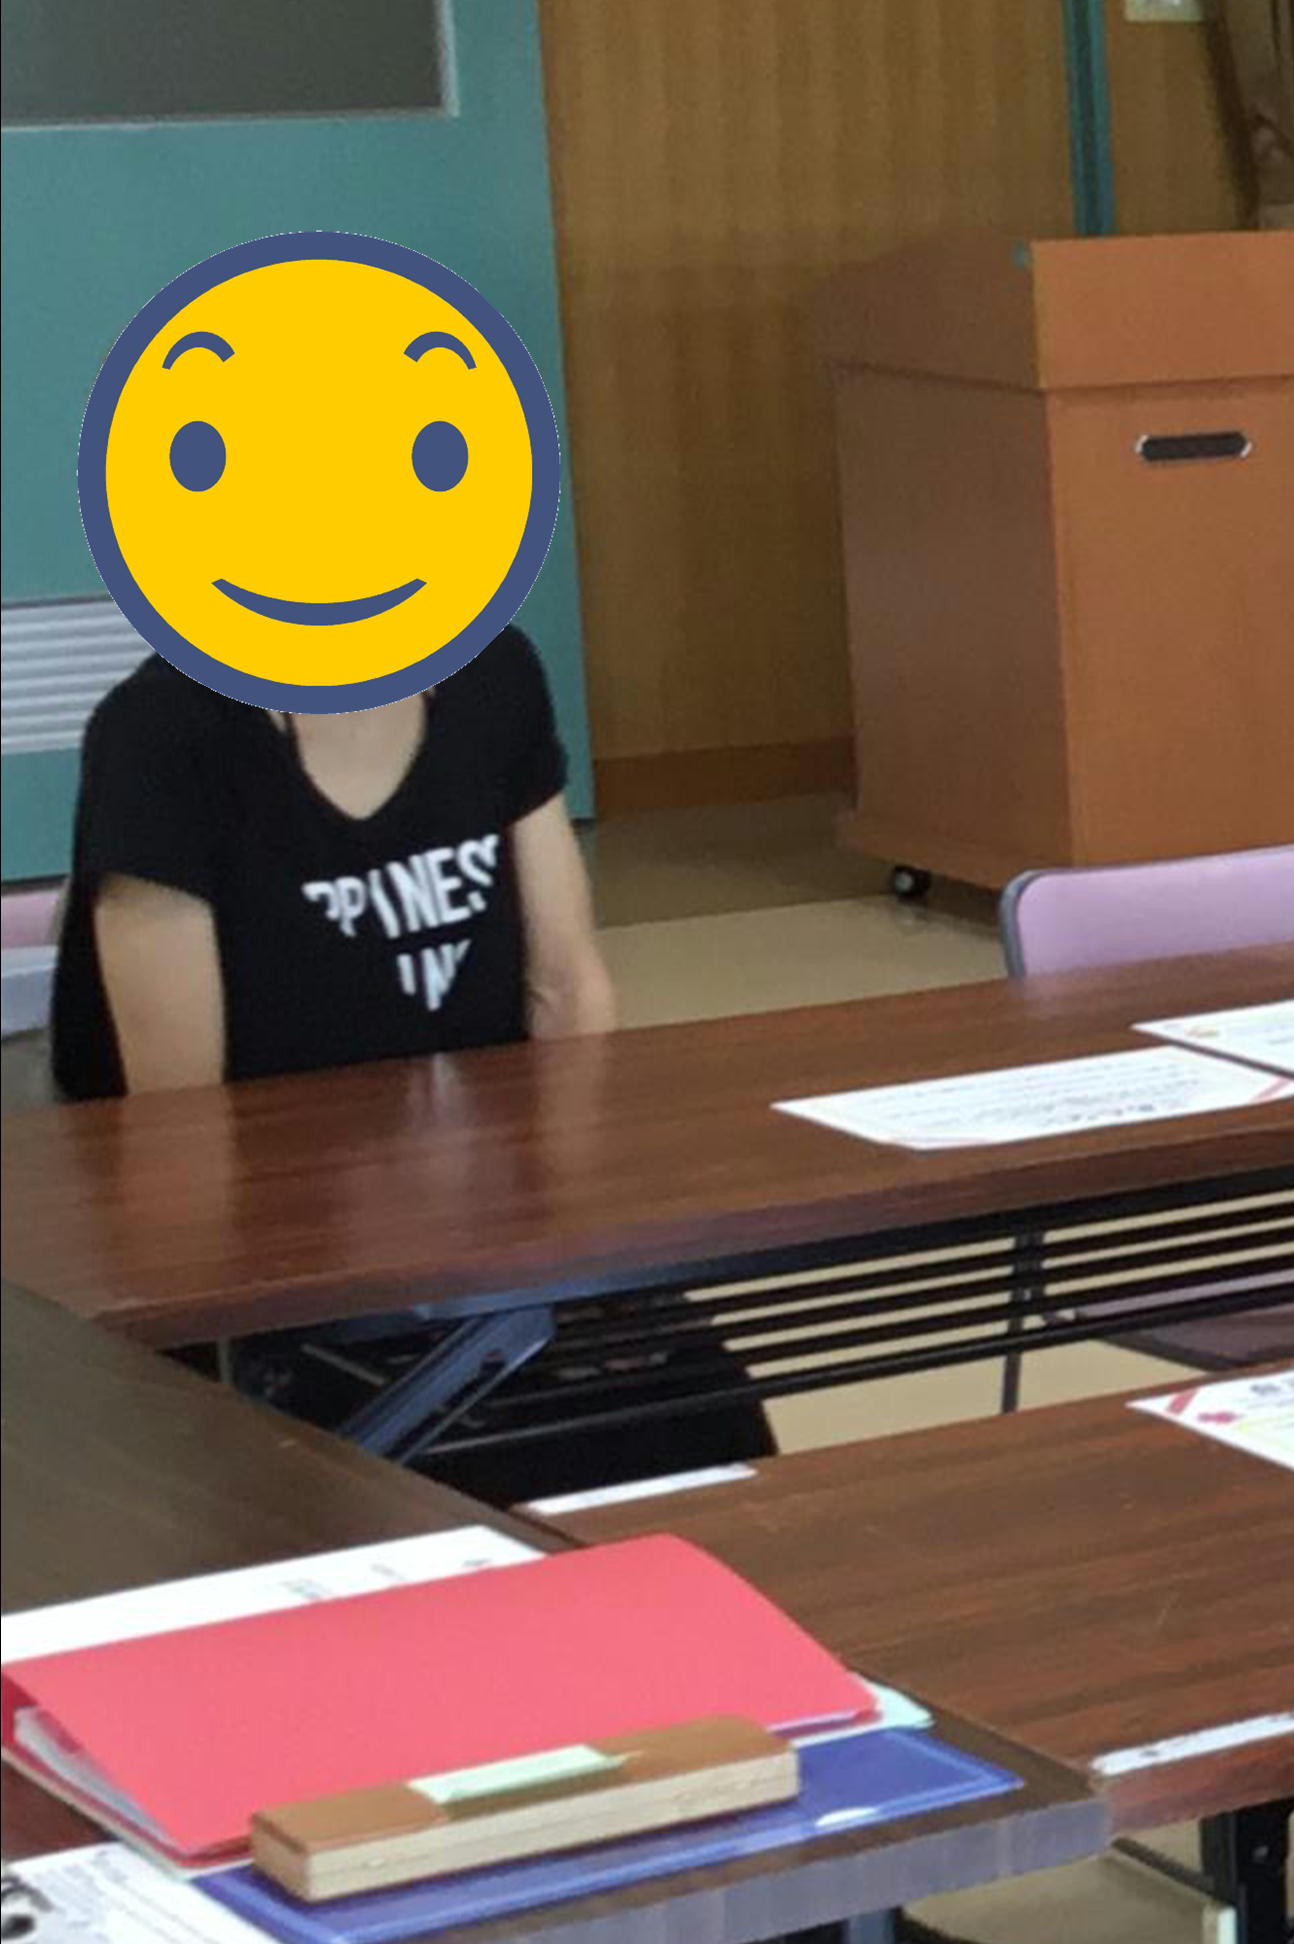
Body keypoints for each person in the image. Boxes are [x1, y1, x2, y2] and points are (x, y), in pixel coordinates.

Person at [46, 628, 773, 1502]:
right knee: (442, 1477)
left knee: (701, 1418)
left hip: (496, 1221)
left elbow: (566, 989)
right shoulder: (164, 727)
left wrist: (581, 1236)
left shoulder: (492, 671)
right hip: (293, 1255)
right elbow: (179, 1128)